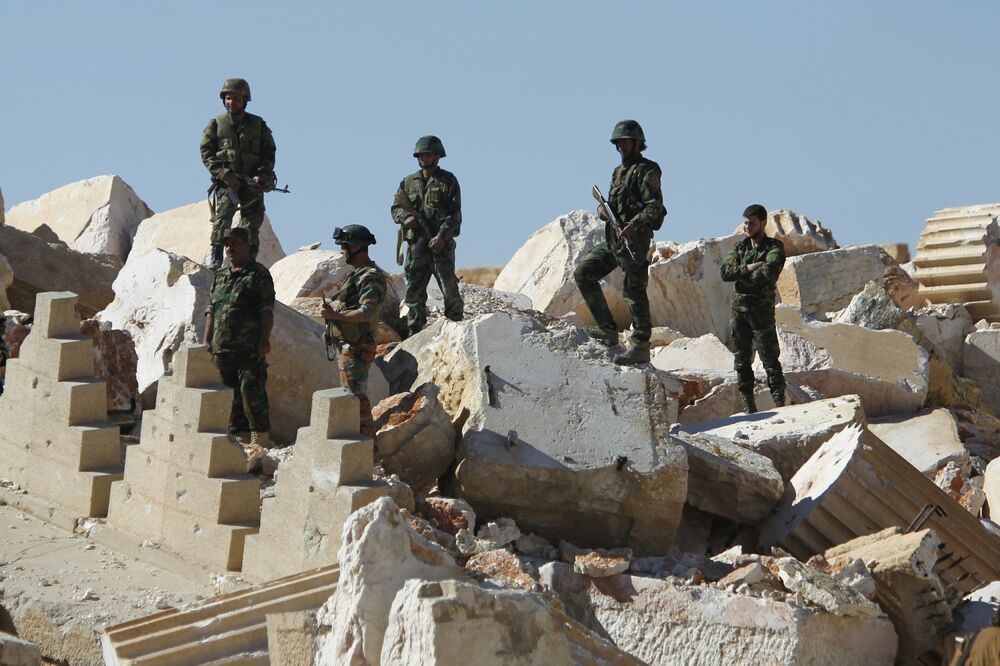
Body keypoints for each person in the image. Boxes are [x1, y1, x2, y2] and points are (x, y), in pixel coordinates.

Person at [574, 119, 666, 365]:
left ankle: (641, 345)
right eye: (618, 143)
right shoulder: (618, 172)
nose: (621, 147)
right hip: (614, 239)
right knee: (584, 272)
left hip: (634, 242)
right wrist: (603, 210)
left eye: (625, 142)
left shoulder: (648, 170)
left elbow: (655, 207)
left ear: (637, 143)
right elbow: (612, 206)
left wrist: (633, 225)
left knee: (634, 291)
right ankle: (607, 329)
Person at [203, 227, 275, 446]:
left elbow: (267, 310)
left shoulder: (258, 274)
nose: (229, 248)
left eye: (234, 243)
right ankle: (238, 439)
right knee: (229, 395)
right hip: (222, 347)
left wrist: (264, 340)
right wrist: (207, 338)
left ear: (247, 245)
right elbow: (211, 309)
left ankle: (259, 437)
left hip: (249, 347)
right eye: (227, 244)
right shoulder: (220, 276)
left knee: (251, 391)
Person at [200, 78, 277, 269]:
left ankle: (249, 260)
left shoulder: (258, 125)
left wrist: (262, 176)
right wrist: (225, 174)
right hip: (228, 183)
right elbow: (206, 152)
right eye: (227, 98)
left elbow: (269, 152)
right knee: (222, 218)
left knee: (251, 224)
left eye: (235, 98)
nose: (231, 102)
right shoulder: (216, 125)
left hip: (252, 184)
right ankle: (216, 257)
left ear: (244, 100)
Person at [390, 135, 463, 336]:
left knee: (449, 289)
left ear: (437, 156)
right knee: (413, 291)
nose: (423, 157)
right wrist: (405, 218)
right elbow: (396, 207)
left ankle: (455, 327)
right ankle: (414, 331)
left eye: (427, 154)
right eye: (420, 154)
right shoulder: (408, 182)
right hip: (416, 245)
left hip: (440, 245)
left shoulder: (448, 180)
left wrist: (441, 236)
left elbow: (455, 215)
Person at [720, 204, 787, 414]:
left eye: (752, 223)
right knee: (741, 360)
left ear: (763, 223)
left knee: (769, 359)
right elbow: (725, 272)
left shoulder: (774, 247)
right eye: (745, 223)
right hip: (739, 312)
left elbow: (768, 272)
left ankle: (779, 403)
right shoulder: (740, 248)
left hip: (761, 312)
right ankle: (749, 407)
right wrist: (748, 268)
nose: (747, 227)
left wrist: (741, 276)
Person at [322, 225, 387, 438]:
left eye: (344, 245)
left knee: (354, 398)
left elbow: (366, 312)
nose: (342, 250)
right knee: (351, 395)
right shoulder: (356, 275)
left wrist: (335, 317)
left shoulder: (370, 276)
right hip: (349, 344)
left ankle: (367, 448)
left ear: (357, 247)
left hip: (358, 346)